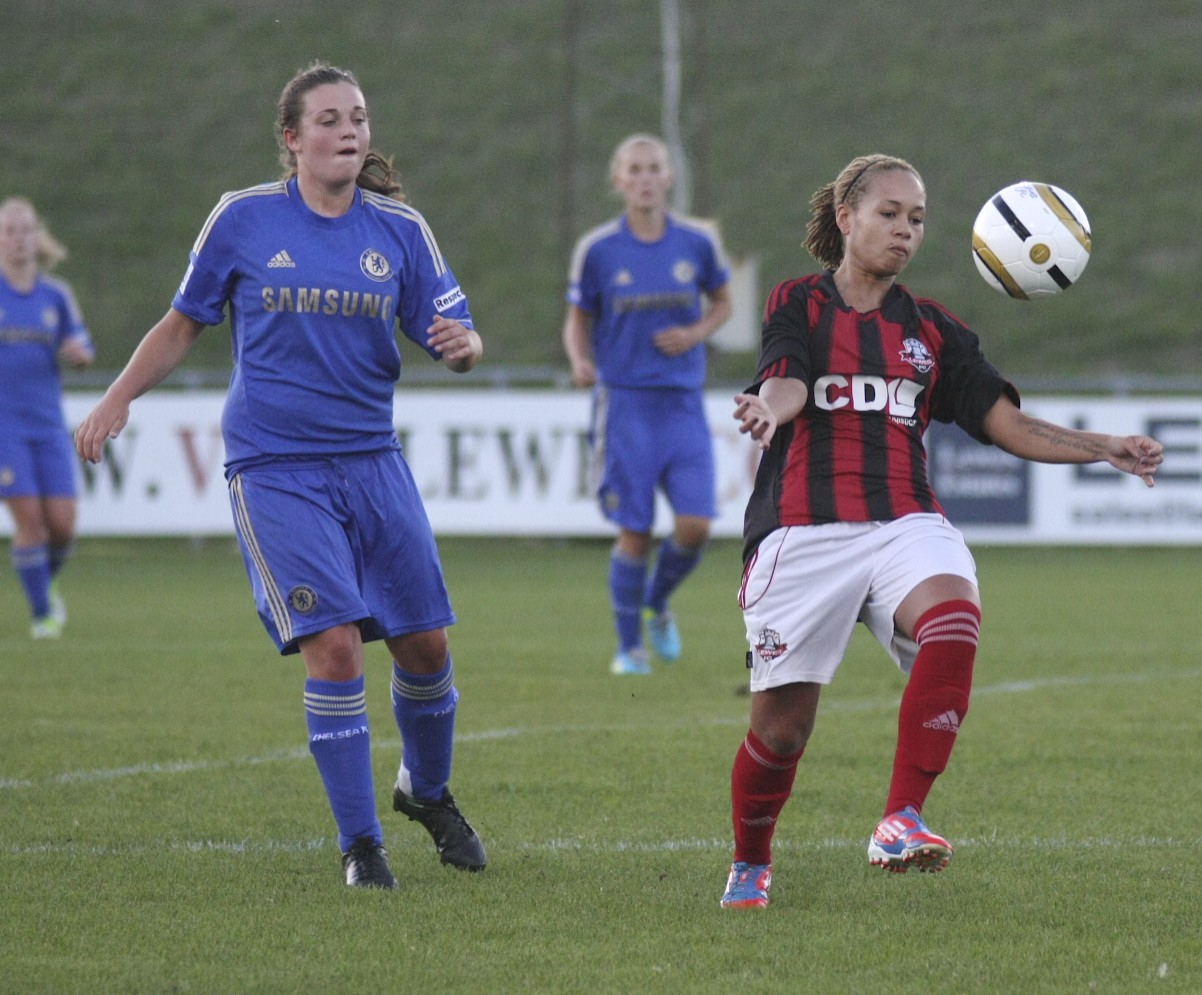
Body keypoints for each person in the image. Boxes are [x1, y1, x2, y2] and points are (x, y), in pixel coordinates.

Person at [75, 62, 488, 890]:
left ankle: (427, 792)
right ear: (292, 139)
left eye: (359, 118)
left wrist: (463, 349)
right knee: (333, 647)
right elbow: (181, 322)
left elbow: (455, 331)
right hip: (275, 466)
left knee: (425, 642)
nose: (349, 132)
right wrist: (117, 397)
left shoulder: (401, 230)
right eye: (330, 119)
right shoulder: (244, 219)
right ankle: (360, 844)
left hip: (373, 462)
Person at [719, 154, 1164, 908]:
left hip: (905, 521)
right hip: (802, 531)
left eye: (917, 218)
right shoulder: (799, 301)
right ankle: (751, 860)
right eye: (889, 212)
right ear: (845, 218)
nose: (904, 229)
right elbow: (787, 377)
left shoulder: (933, 330)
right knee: (783, 731)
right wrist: (772, 406)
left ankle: (900, 817)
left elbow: (1007, 423)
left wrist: (1103, 447)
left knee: (954, 616)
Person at [562, 133, 733, 676]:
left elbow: (724, 302)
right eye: (633, 169)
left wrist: (696, 331)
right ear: (618, 180)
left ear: (669, 176)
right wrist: (580, 361)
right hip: (626, 405)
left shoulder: (696, 244)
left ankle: (657, 603)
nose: (644, 178)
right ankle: (628, 647)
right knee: (634, 530)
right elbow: (577, 318)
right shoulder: (599, 250)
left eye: (653, 168)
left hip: (681, 404)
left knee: (696, 523)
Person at [0, 197, 95, 639]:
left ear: (37, 237)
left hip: (48, 425)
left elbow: (82, 345)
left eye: (25, 230)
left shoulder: (56, 295)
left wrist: (79, 355)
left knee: (62, 527)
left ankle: (44, 581)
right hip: (5, 429)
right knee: (31, 524)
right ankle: (43, 615)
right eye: (10, 230)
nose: (19, 239)